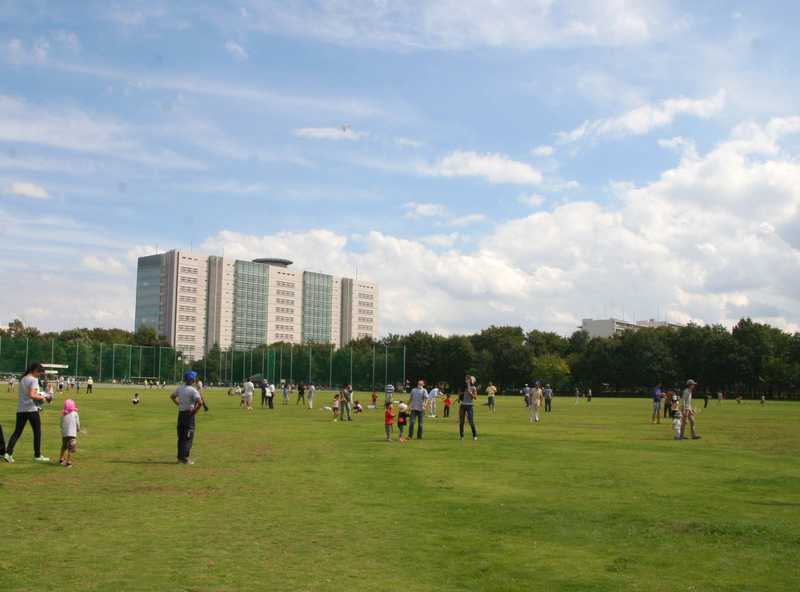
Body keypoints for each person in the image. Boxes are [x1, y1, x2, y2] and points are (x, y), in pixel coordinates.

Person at [3, 362, 51, 463]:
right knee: (37, 432)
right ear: (35, 371)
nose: (39, 375)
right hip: (31, 410)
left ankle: (8, 453)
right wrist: (44, 397)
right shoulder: (33, 380)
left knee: (17, 432)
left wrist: (40, 394)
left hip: (21, 410)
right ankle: (37, 455)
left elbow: (29, 394)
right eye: (39, 373)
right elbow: (32, 395)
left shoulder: (23, 379)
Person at [170, 371, 204, 465]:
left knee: (181, 437)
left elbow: (172, 397)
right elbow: (200, 402)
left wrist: (179, 404)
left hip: (180, 414)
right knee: (188, 437)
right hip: (189, 415)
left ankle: (179, 458)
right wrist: (194, 412)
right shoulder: (193, 390)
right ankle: (185, 458)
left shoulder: (180, 388)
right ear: (192, 380)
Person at [59, 398, 80, 468]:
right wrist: (78, 429)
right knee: (71, 448)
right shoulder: (75, 414)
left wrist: (63, 430)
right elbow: (77, 423)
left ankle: (61, 459)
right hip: (72, 434)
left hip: (64, 434)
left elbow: (61, 424)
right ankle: (68, 462)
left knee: (64, 446)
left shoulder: (63, 414)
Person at [459, 375, 478, 440]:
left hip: (469, 405)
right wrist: (461, 394)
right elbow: (460, 395)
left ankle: (474, 435)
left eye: (467, 379)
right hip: (462, 405)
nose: (466, 380)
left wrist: (470, 393)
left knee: (471, 421)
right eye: (466, 379)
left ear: (470, 380)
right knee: (461, 421)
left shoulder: (473, 388)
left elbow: (475, 397)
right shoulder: (463, 387)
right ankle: (461, 436)